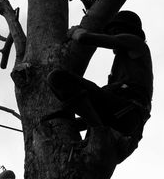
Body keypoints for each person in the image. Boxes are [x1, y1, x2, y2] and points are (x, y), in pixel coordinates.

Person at [47, 11, 153, 144]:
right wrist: (69, 123)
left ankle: (99, 133)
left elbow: (85, 38)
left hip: (129, 112)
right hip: (125, 119)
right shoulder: (124, 64)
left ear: (128, 31)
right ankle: (97, 136)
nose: (113, 34)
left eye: (116, 31)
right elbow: (106, 112)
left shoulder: (135, 43)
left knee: (58, 78)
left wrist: (76, 32)